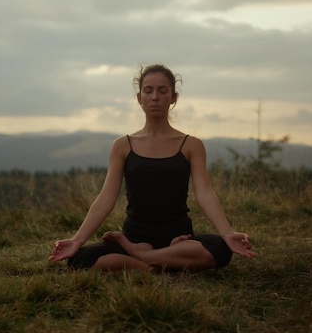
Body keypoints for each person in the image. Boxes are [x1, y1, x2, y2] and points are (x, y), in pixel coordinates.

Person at [48, 63, 256, 271]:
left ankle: (141, 258)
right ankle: (160, 262)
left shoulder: (192, 145)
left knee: (220, 248)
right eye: (148, 91)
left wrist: (228, 233)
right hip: (136, 236)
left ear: (173, 98)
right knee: (79, 259)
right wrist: (77, 240)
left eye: (162, 91)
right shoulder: (123, 145)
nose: (155, 96)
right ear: (139, 98)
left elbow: (205, 193)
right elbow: (106, 198)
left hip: (179, 238)